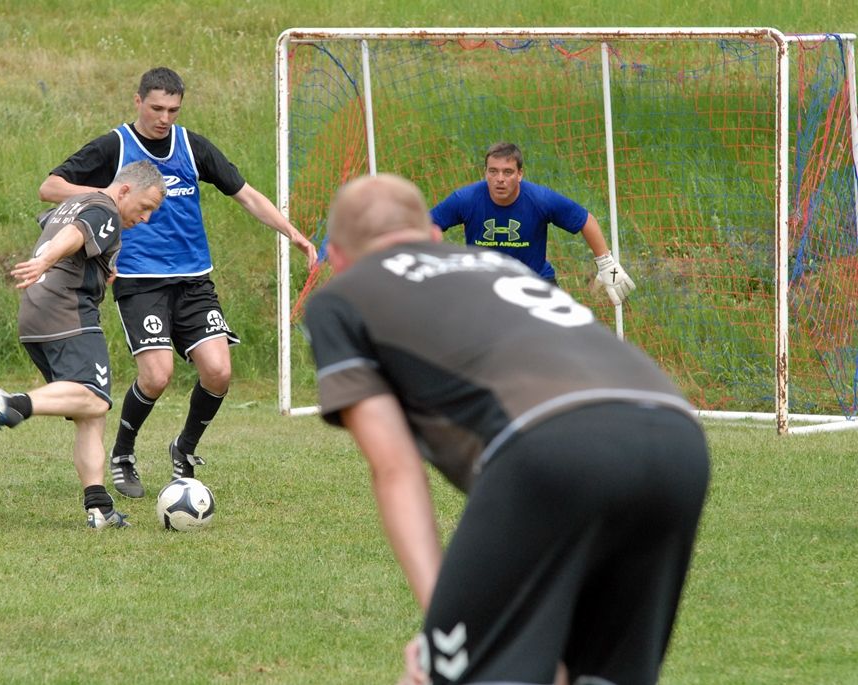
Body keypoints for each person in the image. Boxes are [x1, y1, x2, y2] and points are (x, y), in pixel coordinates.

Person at [303, 173, 709, 685]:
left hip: (552, 444)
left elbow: (395, 466)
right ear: (432, 238)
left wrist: (441, 630)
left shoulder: (343, 297)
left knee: (445, 674)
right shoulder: (494, 265)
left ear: (337, 258)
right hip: (676, 434)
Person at [39, 67, 318, 499]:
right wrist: (108, 195)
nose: (164, 117)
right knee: (156, 376)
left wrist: (293, 233)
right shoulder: (116, 146)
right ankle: (123, 453)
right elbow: (50, 186)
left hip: (193, 282)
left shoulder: (193, 146)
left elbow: (245, 194)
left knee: (219, 371)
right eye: (156, 108)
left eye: (173, 109)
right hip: (139, 282)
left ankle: (184, 449)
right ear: (137, 102)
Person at [0, 160, 166, 529]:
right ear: (125, 190)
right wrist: (45, 260)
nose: (146, 218)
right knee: (94, 395)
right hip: (67, 311)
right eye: (145, 207)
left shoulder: (74, 202)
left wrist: (101, 265)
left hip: (35, 313)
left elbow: (60, 227)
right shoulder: (104, 207)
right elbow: (76, 233)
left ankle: (99, 507)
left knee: (91, 414)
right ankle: (10, 404)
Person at [430, 141, 635, 304]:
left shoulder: (540, 199)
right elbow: (428, 224)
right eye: (493, 171)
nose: (499, 178)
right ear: (486, 172)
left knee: (556, 344)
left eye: (507, 172)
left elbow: (585, 220)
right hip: (483, 285)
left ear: (520, 174)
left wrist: (607, 265)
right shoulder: (466, 199)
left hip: (535, 282)